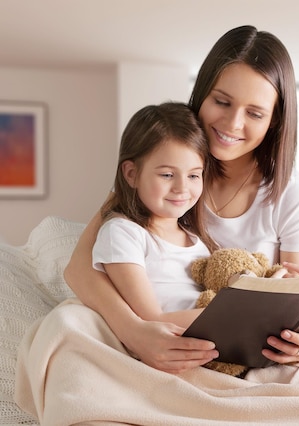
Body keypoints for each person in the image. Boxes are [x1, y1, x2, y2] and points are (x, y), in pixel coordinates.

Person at [64, 25, 299, 374]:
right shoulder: (163, 171)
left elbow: (298, 297)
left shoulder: (289, 193)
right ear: (201, 95)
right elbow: (79, 269)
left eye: (255, 113)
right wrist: (135, 331)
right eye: (222, 102)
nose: (232, 123)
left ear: (274, 122)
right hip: (170, 333)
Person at [91, 101, 216, 329]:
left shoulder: (197, 240)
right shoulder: (123, 233)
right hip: (170, 345)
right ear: (131, 174)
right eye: (167, 175)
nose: (182, 188)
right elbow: (151, 320)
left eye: (193, 176)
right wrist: (229, 317)